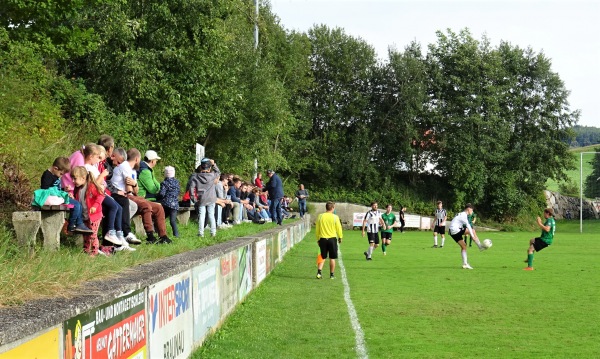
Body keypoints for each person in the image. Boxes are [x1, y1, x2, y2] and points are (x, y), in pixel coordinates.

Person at [112, 148, 171, 245]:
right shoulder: (125, 167)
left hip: (133, 195)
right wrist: (133, 186)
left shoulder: (134, 171)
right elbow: (129, 189)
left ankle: (163, 236)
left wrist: (134, 184)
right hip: (123, 195)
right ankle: (150, 236)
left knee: (159, 207)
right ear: (137, 159)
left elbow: (136, 190)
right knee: (145, 205)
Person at [40, 157, 92, 234]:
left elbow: (57, 189)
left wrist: (64, 191)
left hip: (58, 197)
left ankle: (79, 224)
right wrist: (62, 194)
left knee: (78, 204)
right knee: (76, 205)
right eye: (61, 174)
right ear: (55, 168)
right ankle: (71, 226)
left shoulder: (55, 174)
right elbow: (46, 190)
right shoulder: (47, 175)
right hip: (52, 199)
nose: (61, 176)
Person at [71, 166, 106, 256]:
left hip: (94, 216)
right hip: (85, 216)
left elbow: (101, 196)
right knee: (85, 235)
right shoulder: (78, 189)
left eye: (75, 179)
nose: (73, 181)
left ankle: (94, 252)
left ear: (83, 178)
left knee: (92, 235)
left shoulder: (91, 187)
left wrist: (95, 206)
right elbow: (79, 201)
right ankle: (86, 250)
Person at [448, 203, 486, 269]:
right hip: (455, 230)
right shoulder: (463, 215)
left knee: (464, 246)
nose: (472, 212)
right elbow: (468, 226)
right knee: (473, 231)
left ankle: (465, 264)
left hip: (452, 232)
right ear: (468, 209)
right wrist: (473, 236)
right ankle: (480, 246)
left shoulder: (461, 214)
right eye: (472, 210)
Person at [190, 158, 220, 237]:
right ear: (209, 168)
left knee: (201, 216)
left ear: (201, 167)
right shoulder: (213, 175)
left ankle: (201, 233)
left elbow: (191, 189)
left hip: (201, 199)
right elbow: (218, 172)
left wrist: (194, 199)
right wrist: (214, 164)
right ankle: (213, 232)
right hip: (211, 198)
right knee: (211, 215)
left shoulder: (195, 177)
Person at [315, 201, 343, 279]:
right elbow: (339, 228)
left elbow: (317, 229)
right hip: (332, 239)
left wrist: (318, 239)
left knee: (322, 256)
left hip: (323, 239)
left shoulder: (320, 216)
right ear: (333, 208)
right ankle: (332, 274)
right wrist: (340, 237)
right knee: (332, 257)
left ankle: (319, 272)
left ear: (326, 208)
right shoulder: (335, 217)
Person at [159, 166, 180, 238]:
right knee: (173, 221)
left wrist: (158, 196)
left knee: (161, 218)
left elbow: (162, 194)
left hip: (166, 204)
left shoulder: (164, 183)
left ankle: (159, 231)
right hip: (175, 204)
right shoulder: (177, 182)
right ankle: (176, 234)